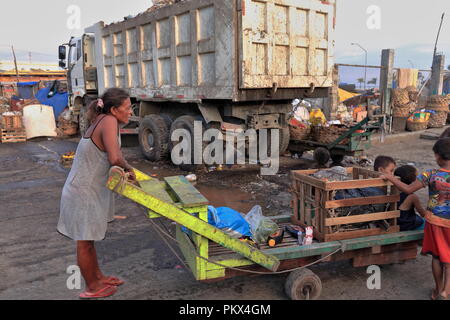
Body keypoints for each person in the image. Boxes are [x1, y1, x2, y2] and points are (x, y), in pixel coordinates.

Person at [57, 88, 135, 299]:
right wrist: (129, 169)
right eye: (127, 108)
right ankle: (92, 287)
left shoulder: (104, 119)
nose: (131, 112)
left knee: (88, 239)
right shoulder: (108, 121)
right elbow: (115, 158)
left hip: (85, 189)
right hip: (83, 192)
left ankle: (98, 278)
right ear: (114, 109)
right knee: (84, 240)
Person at [382, 138, 450, 300]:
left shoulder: (431, 174)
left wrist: (390, 177)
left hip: (434, 221)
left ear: (437, 156)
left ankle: (437, 290)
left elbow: (407, 188)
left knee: (436, 256)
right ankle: (446, 291)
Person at [393, 165, 426, 231]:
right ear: (413, 181)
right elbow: (423, 214)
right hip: (405, 226)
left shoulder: (393, 191)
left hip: (395, 223)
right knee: (426, 222)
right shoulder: (412, 197)